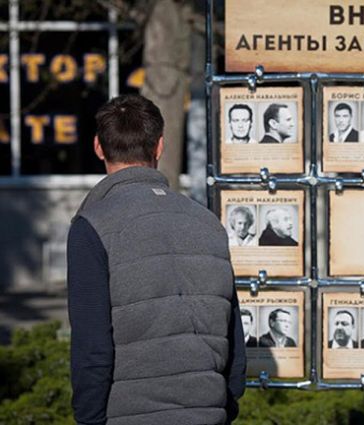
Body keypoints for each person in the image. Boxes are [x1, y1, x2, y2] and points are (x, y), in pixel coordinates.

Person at [67, 94, 245, 424]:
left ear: (98, 147)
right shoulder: (208, 223)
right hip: (208, 411)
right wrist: (223, 404)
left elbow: (92, 347)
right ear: (160, 147)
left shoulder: (91, 226)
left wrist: (88, 418)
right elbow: (233, 339)